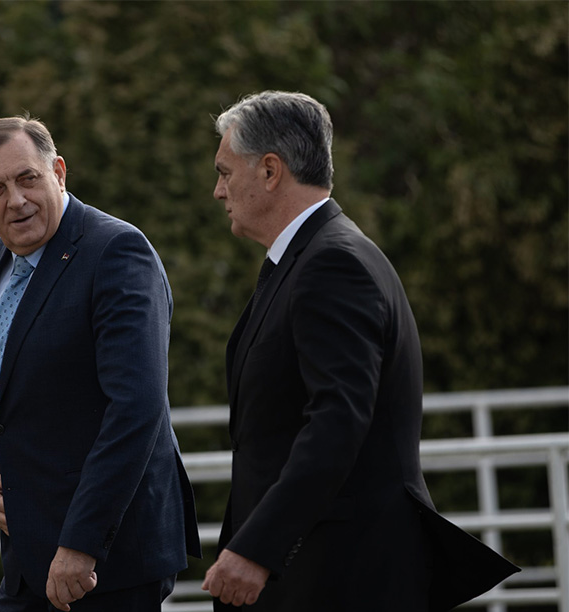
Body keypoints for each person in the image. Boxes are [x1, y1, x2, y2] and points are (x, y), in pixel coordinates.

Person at [201, 91, 518, 611]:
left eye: (225, 172)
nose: (218, 191)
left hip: (341, 574)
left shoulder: (332, 264)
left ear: (271, 171)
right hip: (321, 569)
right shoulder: (312, 258)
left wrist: (258, 548)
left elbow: (338, 420)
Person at [0, 115, 200, 612]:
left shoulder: (117, 251)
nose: (16, 200)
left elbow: (135, 409)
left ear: (59, 172)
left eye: (28, 178)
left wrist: (82, 541)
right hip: (28, 557)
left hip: (105, 562)